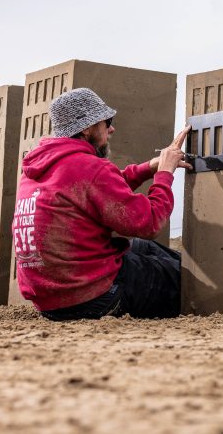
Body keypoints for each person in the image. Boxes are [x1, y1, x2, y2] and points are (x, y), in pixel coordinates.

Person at [13, 87, 191, 321]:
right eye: (107, 122)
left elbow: (100, 189)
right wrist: (165, 174)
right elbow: (149, 223)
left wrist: (149, 167)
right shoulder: (90, 168)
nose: (112, 128)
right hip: (92, 298)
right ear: (87, 128)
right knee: (184, 281)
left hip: (50, 301)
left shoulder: (39, 168)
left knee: (141, 248)